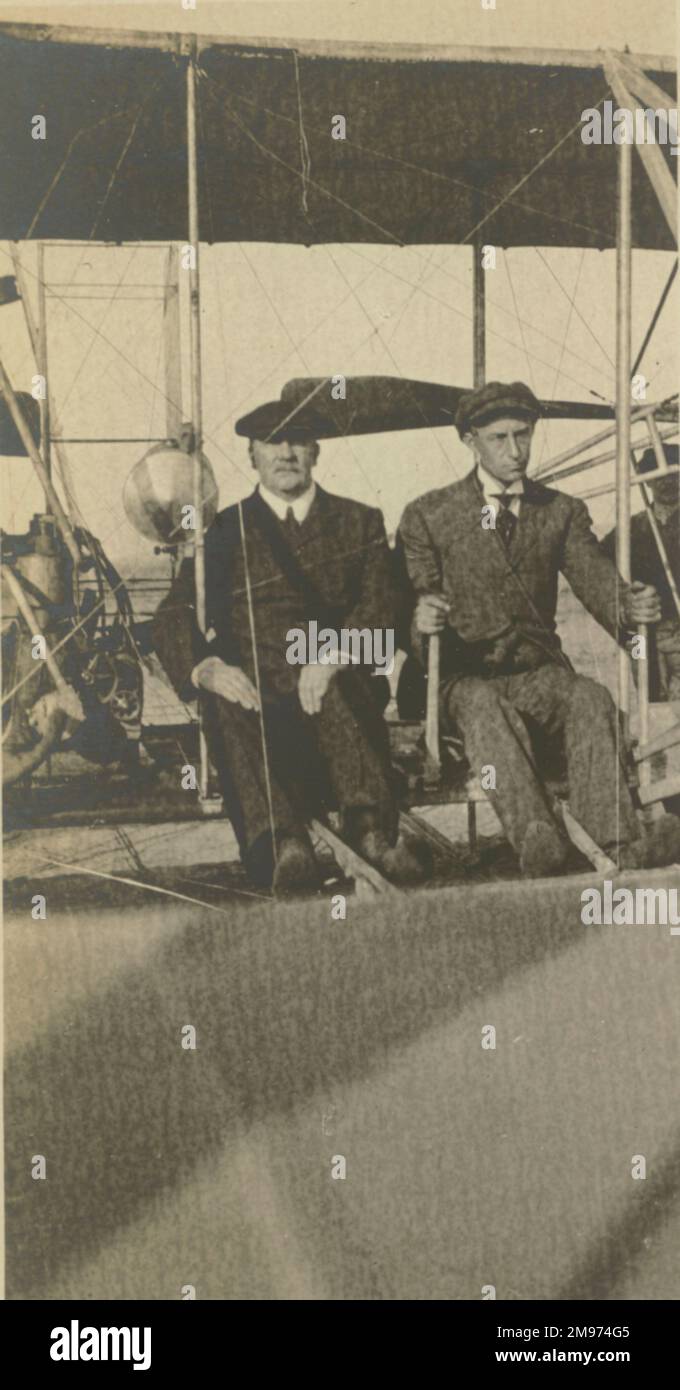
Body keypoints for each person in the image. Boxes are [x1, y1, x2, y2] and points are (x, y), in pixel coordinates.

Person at [397, 380, 680, 876]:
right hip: (462, 679)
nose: (515, 451)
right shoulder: (429, 515)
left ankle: (616, 841)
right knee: (484, 708)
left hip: (536, 673)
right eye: (500, 439)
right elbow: (413, 607)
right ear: (471, 441)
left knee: (590, 698)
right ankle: (537, 837)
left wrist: (633, 609)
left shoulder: (560, 512)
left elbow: (597, 582)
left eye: (523, 436)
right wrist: (421, 623)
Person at [152, 400, 425, 894]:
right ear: (252, 454)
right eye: (272, 442)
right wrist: (205, 667)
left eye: (298, 440)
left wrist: (335, 655)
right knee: (225, 700)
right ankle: (283, 847)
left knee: (334, 680)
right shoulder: (224, 532)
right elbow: (173, 613)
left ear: (315, 451)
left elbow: (384, 609)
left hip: (341, 706)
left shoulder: (358, 521)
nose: (286, 453)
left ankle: (372, 834)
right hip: (264, 712)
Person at [601, 446, 680, 702]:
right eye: (658, 477)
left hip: (677, 629)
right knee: (650, 701)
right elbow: (598, 565)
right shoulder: (632, 528)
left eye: (674, 474)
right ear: (646, 481)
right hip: (642, 633)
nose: (668, 483)